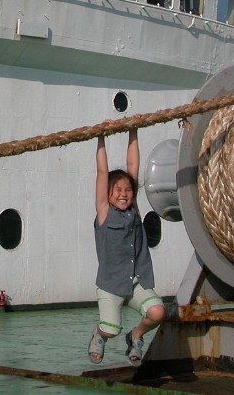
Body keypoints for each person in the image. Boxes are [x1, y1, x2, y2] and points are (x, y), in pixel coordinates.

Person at [87, 122, 165, 366]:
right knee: (111, 330)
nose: (124, 193)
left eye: (128, 190)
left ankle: (136, 336)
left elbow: (133, 166)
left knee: (158, 313)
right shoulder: (104, 213)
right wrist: (100, 138)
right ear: (108, 194)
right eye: (118, 190)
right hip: (111, 285)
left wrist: (134, 130)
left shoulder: (134, 211)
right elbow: (102, 172)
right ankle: (99, 335)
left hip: (136, 281)